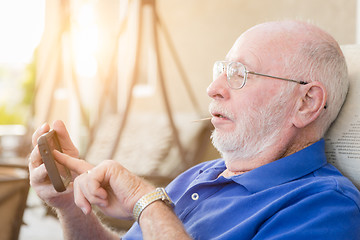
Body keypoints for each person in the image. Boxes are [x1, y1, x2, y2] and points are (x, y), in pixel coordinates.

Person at [29, 20, 360, 239]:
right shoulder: (201, 175)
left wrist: (145, 200)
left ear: (306, 103)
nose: (213, 88)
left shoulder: (324, 208)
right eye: (222, 70)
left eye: (240, 74)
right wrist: (72, 205)